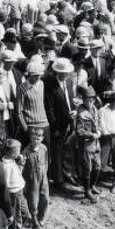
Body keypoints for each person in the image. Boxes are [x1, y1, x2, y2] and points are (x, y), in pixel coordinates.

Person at [44, 58, 77, 190]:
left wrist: (74, 110)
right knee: (56, 151)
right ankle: (58, 180)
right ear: (56, 72)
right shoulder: (50, 85)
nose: (64, 75)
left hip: (69, 121)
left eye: (66, 72)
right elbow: (49, 108)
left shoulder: (69, 81)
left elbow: (70, 99)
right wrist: (54, 127)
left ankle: (67, 173)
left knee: (68, 148)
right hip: (57, 124)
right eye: (61, 73)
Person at [1, 139, 28, 229]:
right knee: (17, 217)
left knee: (25, 213)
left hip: (20, 192)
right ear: (12, 153)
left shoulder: (12, 161)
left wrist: (21, 163)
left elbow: (17, 175)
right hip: (14, 194)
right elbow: (5, 184)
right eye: (18, 151)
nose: (20, 153)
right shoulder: (6, 166)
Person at [75, 87, 101, 203]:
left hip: (96, 144)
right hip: (86, 144)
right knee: (87, 169)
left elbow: (98, 122)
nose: (90, 102)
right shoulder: (81, 112)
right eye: (88, 100)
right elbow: (79, 131)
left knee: (97, 166)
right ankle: (87, 191)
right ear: (83, 100)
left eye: (92, 100)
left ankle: (92, 185)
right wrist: (91, 135)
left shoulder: (95, 109)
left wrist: (99, 131)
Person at [22, 126, 49, 229]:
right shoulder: (26, 152)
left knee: (45, 197)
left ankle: (41, 217)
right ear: (30, 138)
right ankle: (34, 220)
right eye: (34, 138)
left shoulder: (44, 148)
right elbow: (22, 167)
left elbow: (46, 161)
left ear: (42, 138)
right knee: (33, 200)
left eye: (38, 138)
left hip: (43, 176)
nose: (36, 141)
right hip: (32, 178)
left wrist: (45, 172)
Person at [98, 91, 115, 194]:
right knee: (101, 161)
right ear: (114, 102)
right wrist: (107, 135)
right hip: (106, 138)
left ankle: (114, 184)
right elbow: (101, 124)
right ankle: (95, 183)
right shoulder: (102, 111)